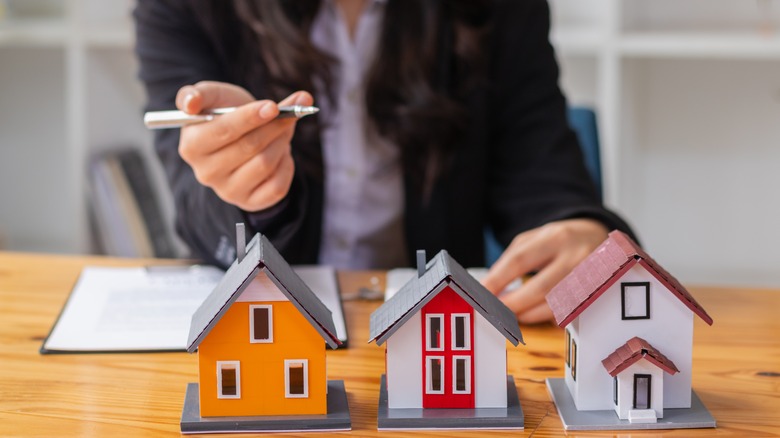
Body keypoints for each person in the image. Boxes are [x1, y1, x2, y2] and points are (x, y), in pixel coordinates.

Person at [134, 0, 635, 324]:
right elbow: (198, 214)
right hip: (269, 327)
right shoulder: (185, 8)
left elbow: (545, 180)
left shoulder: (501, 10)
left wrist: (583, 233)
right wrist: (244, 188)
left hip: (429, 328)